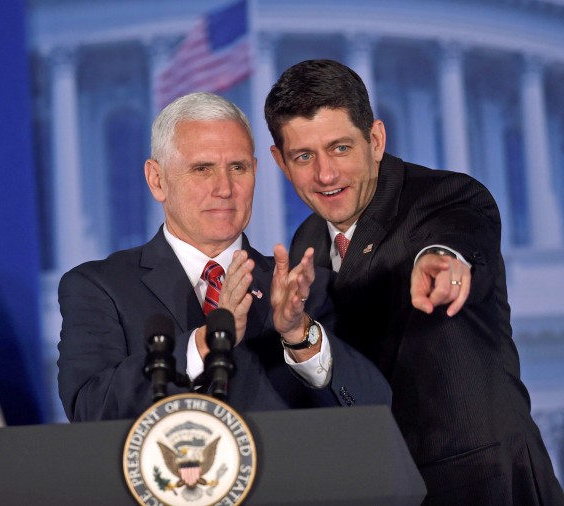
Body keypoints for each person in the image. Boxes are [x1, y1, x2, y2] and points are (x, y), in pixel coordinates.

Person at [264, 59, 564, 505]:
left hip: (486, 486)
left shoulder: (444, 195)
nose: (325, 175)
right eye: (304, 157)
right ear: (281, 162)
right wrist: (296, 333)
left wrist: (444, 260)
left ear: (376, 139)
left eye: (341, 148)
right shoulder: (307, 240)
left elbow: (458, 234)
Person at [58, 91, 390, 423]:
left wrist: (300, 335)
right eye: (202, 168)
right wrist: (206, 343)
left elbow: (374, 410)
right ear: (157, 180)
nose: (225, 188)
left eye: (238, 167)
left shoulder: (309, 291)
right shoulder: (100, 287)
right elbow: (90, 409)